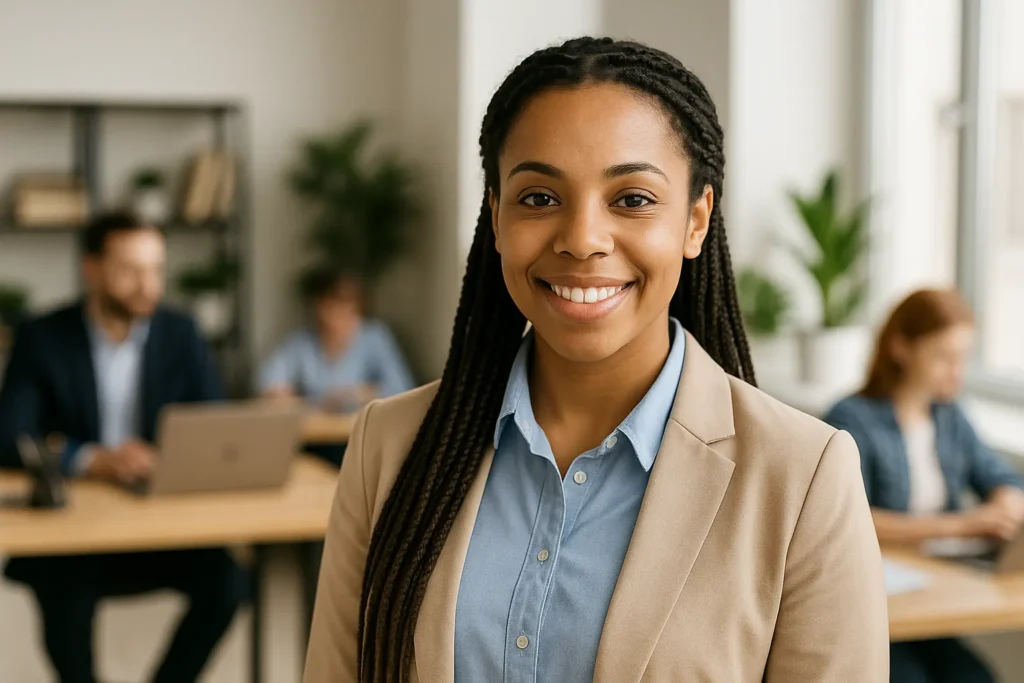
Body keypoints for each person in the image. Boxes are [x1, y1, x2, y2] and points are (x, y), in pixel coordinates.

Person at [303, 38, 888, 683]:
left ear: (696, 220)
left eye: (632, 199)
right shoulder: (388, 445)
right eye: (539, 198)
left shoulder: (804, 478)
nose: (582, 239)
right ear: (495, 216)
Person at [0, 211, 244, 683]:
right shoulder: (43, 337)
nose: (146, 284)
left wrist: (168, 457)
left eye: (155, 270)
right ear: (91, 268)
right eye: (131, 270)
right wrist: (93, 459)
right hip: (75, 529)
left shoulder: (182, 333)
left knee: (230, 584)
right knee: (64, 597)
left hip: (160, 521)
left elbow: (215, 426)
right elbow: (8, 434)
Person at [825, 288, 1022, 683]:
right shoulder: (852, 418)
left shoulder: (950, 416)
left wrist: (1006, 501)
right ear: (901, 348)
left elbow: (1001, 477)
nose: (957, 372)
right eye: (944, 357)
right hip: (875, 606)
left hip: (933, 595)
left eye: (963, 358)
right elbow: (848, 520)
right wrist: (961, 525)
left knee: (977, 678)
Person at [259, 265, 414, 413]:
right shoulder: (301, 341)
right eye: (331, 304)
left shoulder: (375, 337)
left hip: (363, 431)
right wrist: (282, 393)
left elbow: (402, 389)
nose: (338, 312)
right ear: (318, 306)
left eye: (347, 303)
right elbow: (271, 381)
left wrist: (359, 394)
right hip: (316, 432)